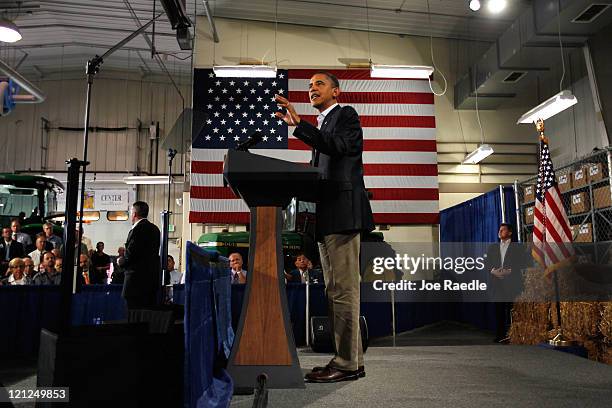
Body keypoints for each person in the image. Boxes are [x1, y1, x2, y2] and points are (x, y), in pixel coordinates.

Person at [275, 72, 374, 383]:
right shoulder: (322, 126)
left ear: (336, 90)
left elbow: (342, 148)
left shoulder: (345, 115)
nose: (312, 89)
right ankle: (347, 359)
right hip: (327, 217)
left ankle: (348, 363)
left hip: (344, 216)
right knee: (334, 291)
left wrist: (300, 127)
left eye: (319, 84)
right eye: (309, 85)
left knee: (345, 291)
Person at [484, 223, 530, 343]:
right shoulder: (492, 247)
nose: (500, 232)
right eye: (499, 230)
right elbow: (487, 263)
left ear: (510, 232)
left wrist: (510, 270)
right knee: (498, 310)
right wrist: (493, 271)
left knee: (511, 309)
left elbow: (523, 262)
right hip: (497, 282)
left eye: (503, 230)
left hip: (512, 283)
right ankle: (500, 334)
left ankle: (513, 334)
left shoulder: (518, 247)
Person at [122, 201, 161, 309]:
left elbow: (131, 254)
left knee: (134, 315)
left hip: (135, 283)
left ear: (134, 214)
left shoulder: (136, 230)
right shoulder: (155, 229)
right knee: (148, 314)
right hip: (151, 281)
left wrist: (120, 261)